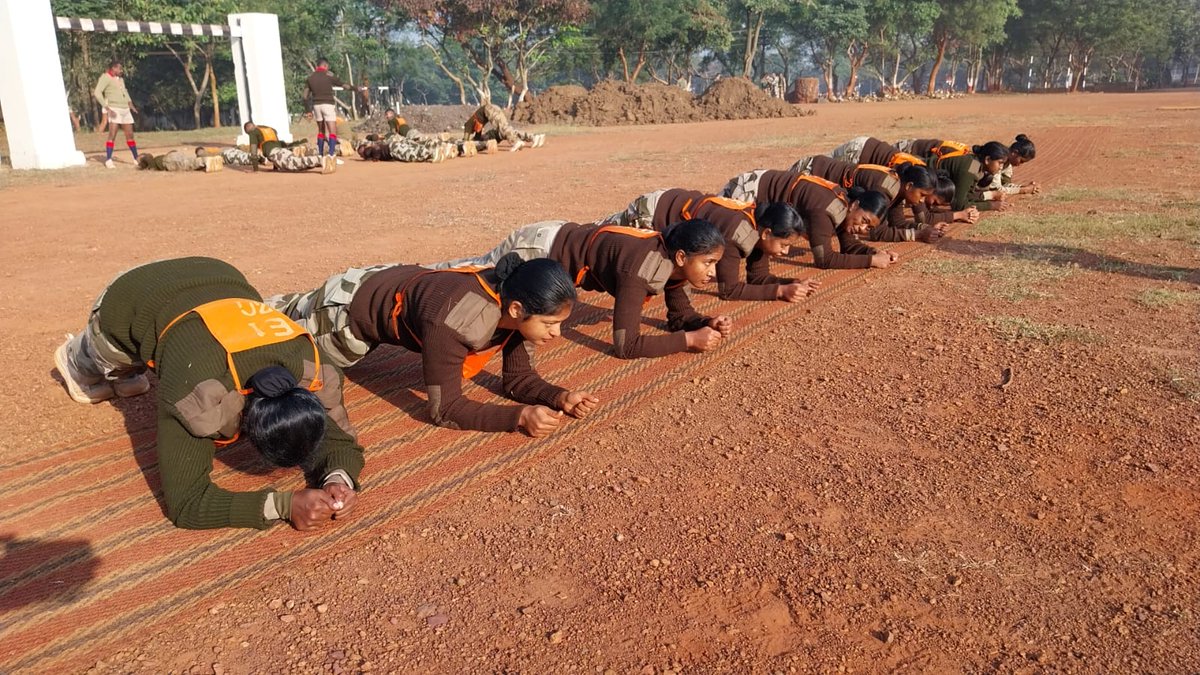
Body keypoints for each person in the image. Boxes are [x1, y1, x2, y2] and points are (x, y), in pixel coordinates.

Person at [52, 257, 363, 531]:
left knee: (143, 375)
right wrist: (282, 505)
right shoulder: (198, 395)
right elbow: (187, 503)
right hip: (134, 289)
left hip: (215, 272)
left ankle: (130, 361)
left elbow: (339, 441)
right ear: (246, 425)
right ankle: (78, 356)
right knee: (110, 367)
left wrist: (338, 479)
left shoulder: (314, 368)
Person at [269, 259, 597, 437]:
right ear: (515, 310)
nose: (557, 333)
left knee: (290, 307)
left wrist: (559, 397)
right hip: (348, 311)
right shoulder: (455, 319)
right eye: (550, 323)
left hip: (393, 280)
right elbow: (445, 410)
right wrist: (520, 417)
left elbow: (518, 379)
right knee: (275, 340)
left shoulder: (516, 302)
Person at [427, 219, 730, 359]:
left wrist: (704, 323)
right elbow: (626, 345)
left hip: (560, 242)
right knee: (473, 279)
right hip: (540, 248)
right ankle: (409, 275)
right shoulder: (641, 268)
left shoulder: (673, 264)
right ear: (681, 257)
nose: (713, 272)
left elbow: (678, 316)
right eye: (708, 263)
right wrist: (689, 340)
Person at [602, 188, 818, 302]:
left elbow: (757, 277)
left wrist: (794, 282)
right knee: (609, 241)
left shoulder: (758, 229)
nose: (786, 252)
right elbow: (729, 290)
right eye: (784, 244)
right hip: (652, 211)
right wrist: (780, 291)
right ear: (767, 233)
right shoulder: (736, 234)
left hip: (677, 206)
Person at [720, 171, 896, 269]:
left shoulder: (844, 209)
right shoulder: (826, 211)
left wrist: (875, 253)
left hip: (764, 195)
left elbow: (849, 246)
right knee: (733, 242)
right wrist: (871, 262)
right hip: (747, 191)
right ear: (855, 205)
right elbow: (824, 259)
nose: (863, 228)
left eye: (868, 228)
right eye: (864, 220)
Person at [304, 58, 363, 161]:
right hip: (328, 104)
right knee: (332, 131)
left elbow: (304, 96)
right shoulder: (328, 76)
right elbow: (344, 85)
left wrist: (308, 110)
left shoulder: (310, 78)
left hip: (316, 106)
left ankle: (320, 155)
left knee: (321, 131)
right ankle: (331, 156)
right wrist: (356, 88)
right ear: (325, 66)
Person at [223, 122, 333, 173]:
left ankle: (320, 159)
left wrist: (255, 169)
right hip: (280, 150)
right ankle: (320, 160)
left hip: (275, 153)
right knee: (293, 164)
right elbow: (275, 142)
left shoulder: (253, 132)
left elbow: (253, 151)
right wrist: (275, 166)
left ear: (248, 130)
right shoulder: (267, 128)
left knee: (294, 164)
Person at [386, 108, 488, 157]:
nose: (386, 117)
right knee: (431, 141)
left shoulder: (391, 121)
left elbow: (393, 133)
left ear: (391, 114)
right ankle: (475, 144)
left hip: (411, 135)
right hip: (413, 132)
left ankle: (460, 146)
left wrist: (385, 136)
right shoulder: (399, 118)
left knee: (430, 142)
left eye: (387, 114)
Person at [93, 60, 138, 168]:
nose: (121, 71)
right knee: (112, 134)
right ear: (113, 68)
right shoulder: (105, 77)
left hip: (125, 109)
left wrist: (130, 104)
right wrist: (106, 107)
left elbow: (125, 91)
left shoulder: (121, 79)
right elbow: (97, 92)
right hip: (114, 108)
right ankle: (108, 159)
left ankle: (136, 158)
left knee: (130, 135)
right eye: (119, 68)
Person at [977, 134, 1040, 203]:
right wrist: (1024, 190)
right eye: (1021, 161)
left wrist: (1024, 187)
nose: (1019, 164)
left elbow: (1005, 184)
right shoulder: (998, 161)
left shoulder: (1007, 164)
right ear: (1014, 153)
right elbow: (997, 189)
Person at [464, 103, 544, 152]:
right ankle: (533, 137)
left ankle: (516, 141)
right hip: (493, 107)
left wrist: (468, 142)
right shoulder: (476, 123)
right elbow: (478, 137)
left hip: (489, 109)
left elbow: (465, 141)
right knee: (505, 128)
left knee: (503, 128)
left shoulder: (467, 125)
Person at [820, 136, 925, 169]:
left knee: (825, 161)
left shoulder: (917, 164)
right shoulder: (909, 171)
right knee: (824, 167)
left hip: (865, 143)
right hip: (858, 153)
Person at [137, 149, 223, 173]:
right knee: (190, 162)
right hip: (173, 155)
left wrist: (141, 161)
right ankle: (206, 156)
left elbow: (148, 157)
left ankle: (206, 160)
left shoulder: (152, 163)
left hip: (168, 161)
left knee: (188, 164)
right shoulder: (156, 159)